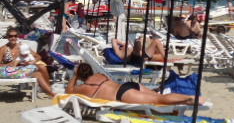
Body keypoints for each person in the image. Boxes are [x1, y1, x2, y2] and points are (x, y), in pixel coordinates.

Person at [66, 62, 197, 104]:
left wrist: (75, 76)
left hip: (123, 94)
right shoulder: (100, 75)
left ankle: (189, 98)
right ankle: (185, 98)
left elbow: (69, 90)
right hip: (128, 86)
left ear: (80, 76)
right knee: (158, 96)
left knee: (158, 99)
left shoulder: (84, 88)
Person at [0, 27, 56, 97]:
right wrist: (9, 64)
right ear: (7, 37)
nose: (13, 38)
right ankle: (50, 92)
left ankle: (48, 89)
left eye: (15, 36)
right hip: (13, 70)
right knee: (37, 73)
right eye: (11, 36)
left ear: (17, 37)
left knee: (42, 67)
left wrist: (32, 62)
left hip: (25, 67)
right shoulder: (3, 49)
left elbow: (38, 57)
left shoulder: (22, 47)